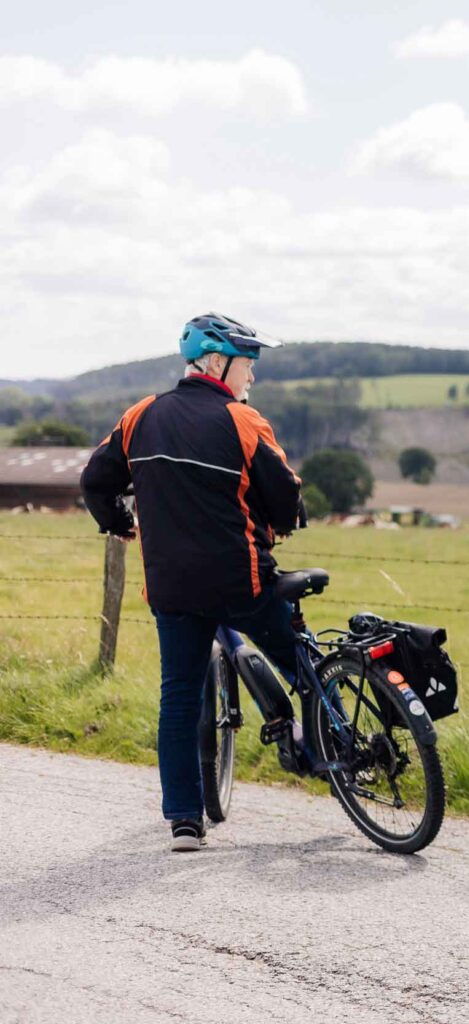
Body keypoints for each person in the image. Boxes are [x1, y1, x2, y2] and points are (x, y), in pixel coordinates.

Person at [80, 313, 304, 852]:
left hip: (173, 588)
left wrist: (119, 523)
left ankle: (184, 820)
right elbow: (286, 496)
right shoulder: (243, 421)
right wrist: (277, 527)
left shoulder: (141, 415)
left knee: (178, 698)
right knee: (300, 660)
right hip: (239, 581)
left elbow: (95, 480)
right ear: (218, 362)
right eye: (247, 366)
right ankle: (331, 750)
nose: (251, 378)